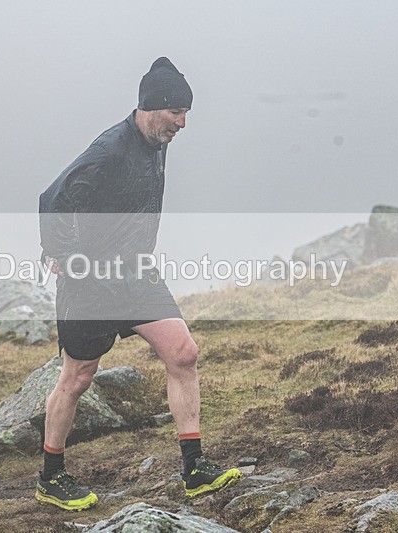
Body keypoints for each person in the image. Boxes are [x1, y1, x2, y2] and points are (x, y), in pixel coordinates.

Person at [35, 57, 242, 511]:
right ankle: (51, 476)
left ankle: (195, 469)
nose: (183, 124)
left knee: (183, 352)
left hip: (137, 274)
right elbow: (52, 199)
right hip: (89, 282)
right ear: (150, 107)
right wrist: (63, 255)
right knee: (78, 376)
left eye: (187, 114)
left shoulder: (158, 141)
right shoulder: (110, 149)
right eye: (176, 114)